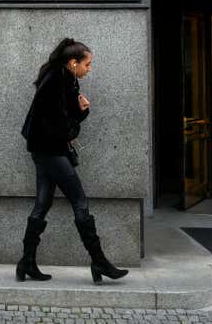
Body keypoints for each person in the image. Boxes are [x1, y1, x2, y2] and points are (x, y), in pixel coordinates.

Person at [16, 38, 129, 285]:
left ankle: (27, 262)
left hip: (45, 150)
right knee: (80, 201)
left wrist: (82, 111)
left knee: (43, 204)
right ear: (73, 62)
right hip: (51, 151)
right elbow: (58, 126)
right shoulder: (57, 81)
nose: (90, 68)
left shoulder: (65, 78)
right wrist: (75, 125)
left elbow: (66, 116)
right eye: (87, 64)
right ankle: (99, 261)